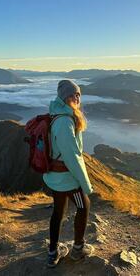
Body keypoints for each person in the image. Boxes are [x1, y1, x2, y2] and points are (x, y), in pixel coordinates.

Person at [43, 79, 94, 268]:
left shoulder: (59, 114)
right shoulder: (65, 121)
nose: (77, 97)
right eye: (73, 94)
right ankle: (78, 249)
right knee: (84, 205)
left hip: (57, 177)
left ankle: (52, 253)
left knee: (59, 211)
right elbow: (72, 156)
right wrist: (85, 184)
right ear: (64, 98)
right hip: (66, 178)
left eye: (78, 94)